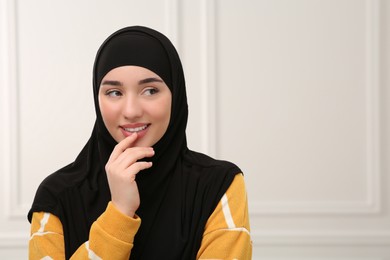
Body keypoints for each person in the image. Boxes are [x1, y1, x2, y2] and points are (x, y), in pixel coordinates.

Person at [28, 25, 251, 259]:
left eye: (150, 90)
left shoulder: (218, 185)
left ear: (176, 95)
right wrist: (119, 213)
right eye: (114, 92)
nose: (131, 111)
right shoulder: (56, 196)